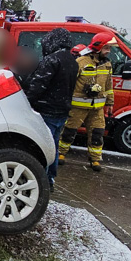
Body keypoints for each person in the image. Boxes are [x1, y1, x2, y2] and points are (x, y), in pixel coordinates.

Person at [23, 28, 79, 188]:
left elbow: (38, 85)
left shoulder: (52, 60)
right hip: (61, 111)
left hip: (46, 110)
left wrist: (26, 101)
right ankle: (49, 178)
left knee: (42, 146)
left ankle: (41, 180)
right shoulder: (72, 60)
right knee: (53, 145)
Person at [57, 32, 115, 172]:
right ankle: (60, 153)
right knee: (69, 131)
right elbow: (69, 83)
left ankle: (95, 159)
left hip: (97, 108)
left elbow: (109, 85)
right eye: (106, 48)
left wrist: (110, 103)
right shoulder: (81, 62)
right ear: (98, 47)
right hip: (78, 106)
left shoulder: (107, 65)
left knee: (97, 133)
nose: (108, 52)